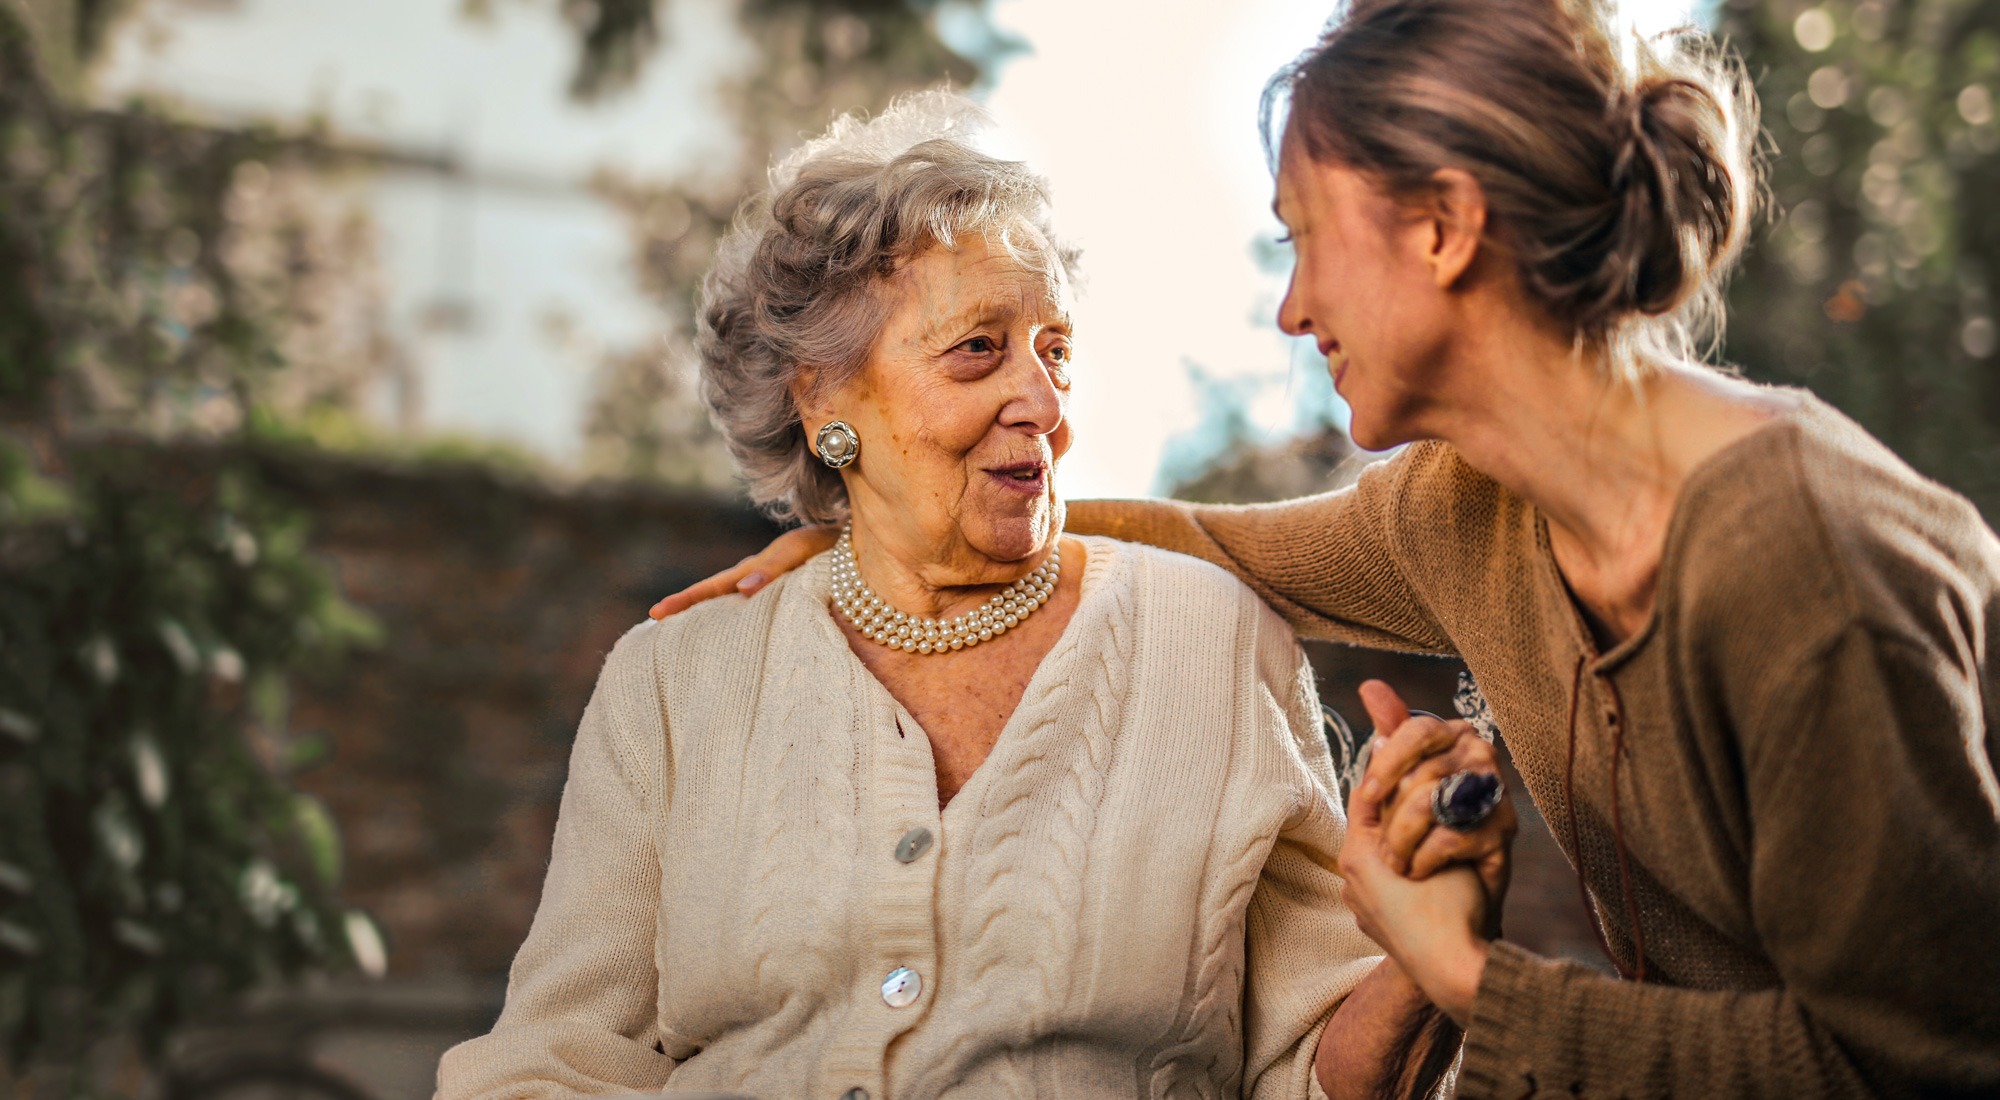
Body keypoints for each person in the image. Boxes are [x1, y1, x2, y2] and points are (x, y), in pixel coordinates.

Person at [651, 3, 2000, 1097]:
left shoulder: (1802, 567)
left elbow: (1923, 1062)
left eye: (1304, 242)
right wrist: (877, 535)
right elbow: (1204, 541)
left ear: (1444, 226)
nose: (1291, 310)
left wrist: (1477, 986)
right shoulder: (1468, 509)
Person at [438, 92, 1494, 1100]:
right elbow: (557, 1060)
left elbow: (1315, 1070)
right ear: (823, 399)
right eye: (978, 349)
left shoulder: (1209, 640)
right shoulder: (674, 679)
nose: (1039, 403)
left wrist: (1421, 955)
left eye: (1056, 352)